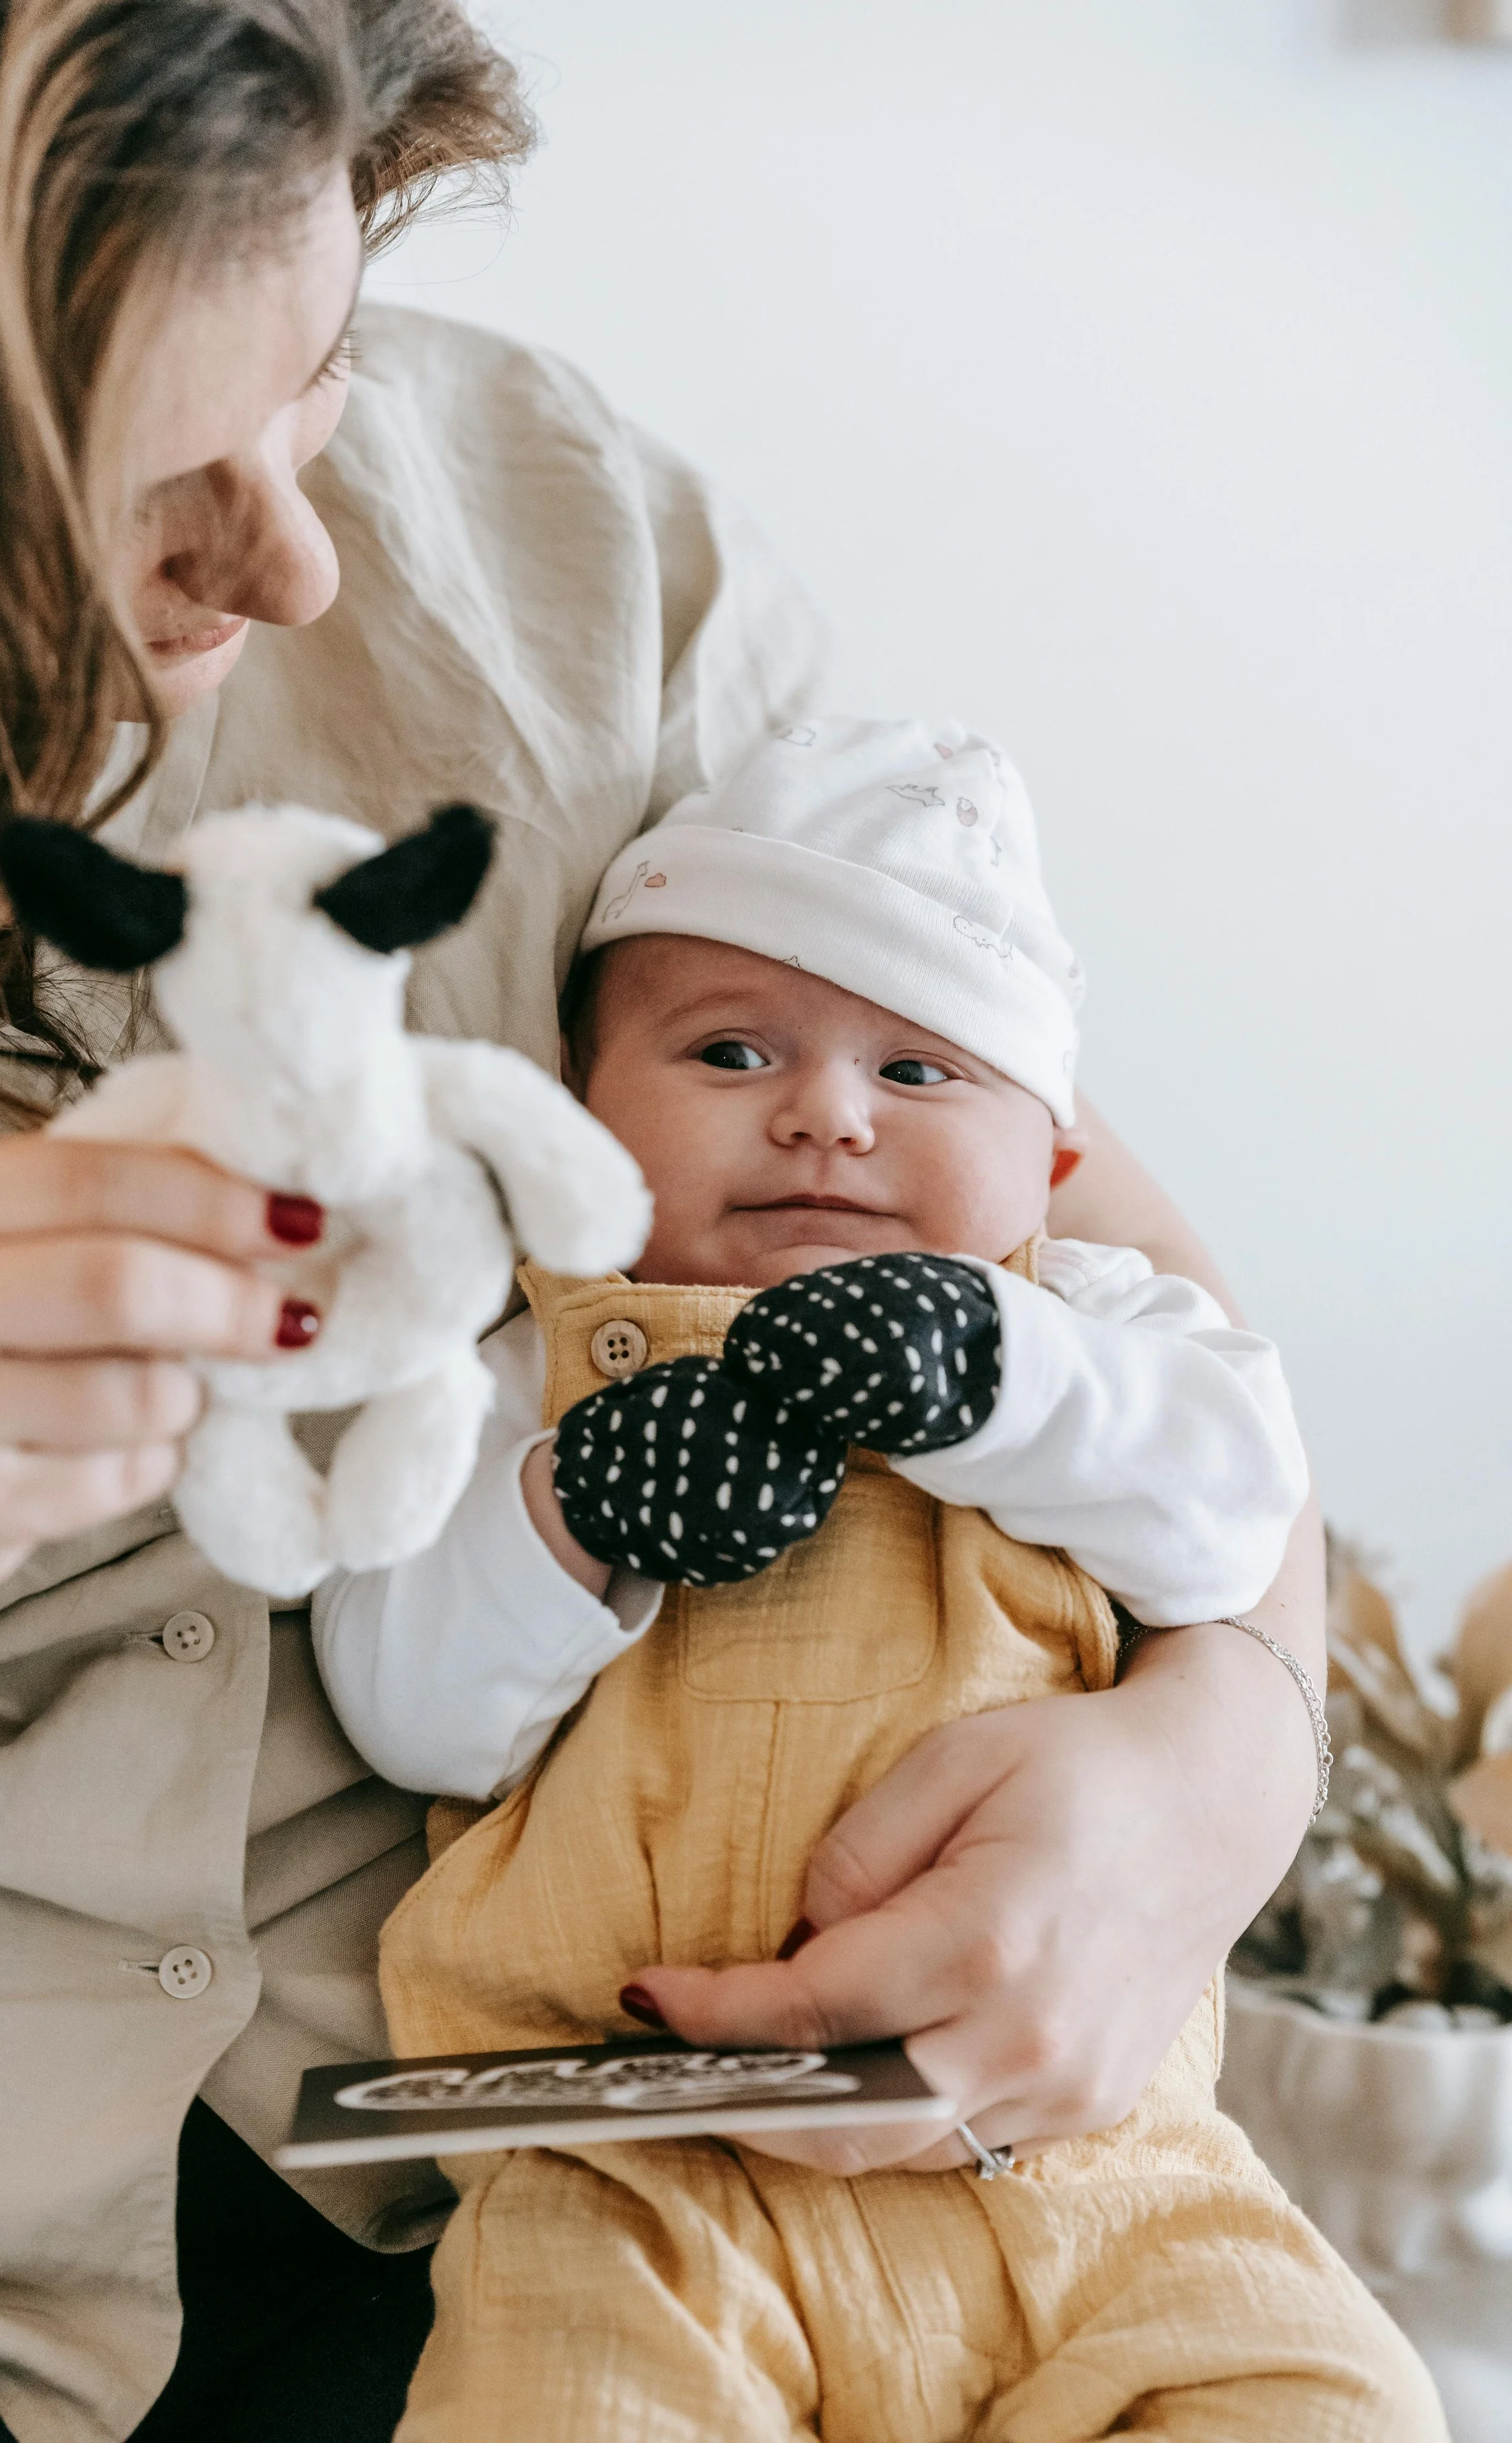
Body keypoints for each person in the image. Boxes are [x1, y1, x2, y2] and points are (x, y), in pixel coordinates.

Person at [0, 5, 1330, 2437]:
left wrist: (1222, 1764)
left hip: (612, 2122)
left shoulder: (563, 536)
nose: (291, 558)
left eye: (320, 372)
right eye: (121, 482)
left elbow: (1053, 1192)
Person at [317, 719, 1441, 2441]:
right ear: (586, 1116)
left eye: (917, 1072)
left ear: (1053, 1167)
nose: (826, 1115)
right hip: (638, 2174)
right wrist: (580, 1511)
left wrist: (996, 1371)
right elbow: (405, 1709)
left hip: (1096, 2173)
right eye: (729, 1050)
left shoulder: (1104, 1334)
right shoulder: (525, 1378)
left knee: (1337, 2404)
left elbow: (1232, 1514)